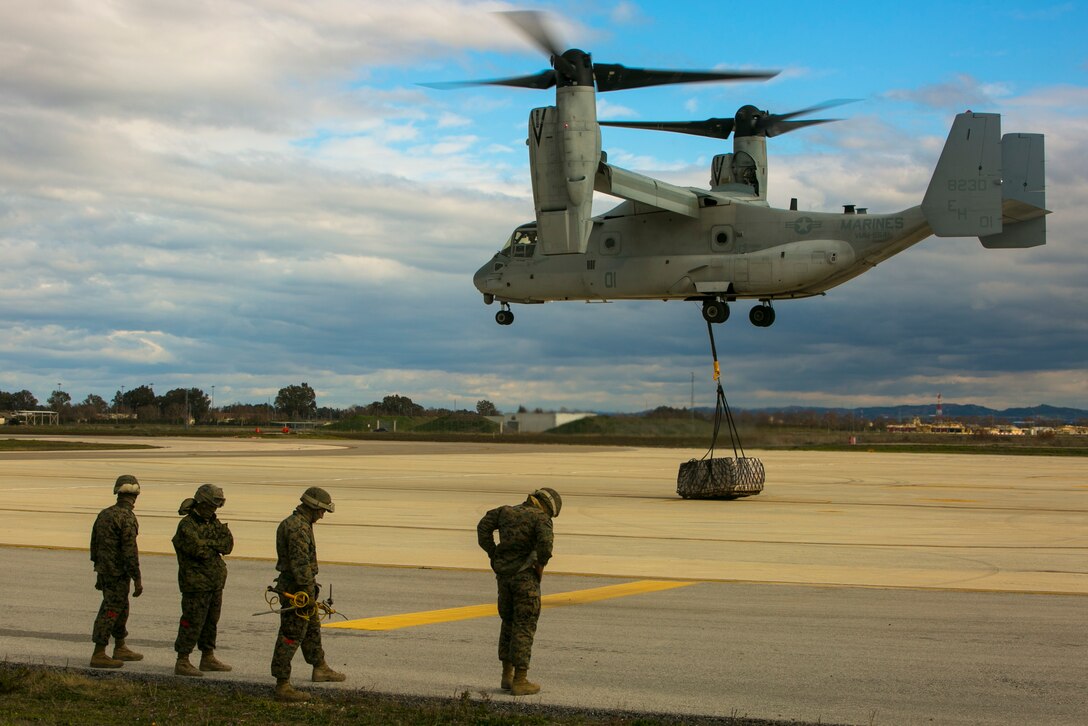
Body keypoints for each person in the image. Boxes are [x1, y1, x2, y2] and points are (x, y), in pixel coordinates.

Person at [477, 487, 562, 695]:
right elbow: (546, 546)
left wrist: (494, 553)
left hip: (504, 579)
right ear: (547, 507)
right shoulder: (541, 518)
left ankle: (506, 675)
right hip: (525, 578)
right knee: (524, 626)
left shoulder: (505, 511)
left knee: (508, 622)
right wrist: (540, 566)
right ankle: (520, 679)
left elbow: (483, 527)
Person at [270, 486, 346, 702]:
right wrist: (306, 591)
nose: (322, 515)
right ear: (313, 507)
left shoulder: (301, 523)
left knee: (312, 628)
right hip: (297, 590)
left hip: (304, 588)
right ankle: (282, 683)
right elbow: (300, 563)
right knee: (291, 635)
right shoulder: (297, 528)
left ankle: (320, 667)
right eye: (321, 511)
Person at [172, 483, 234, 677]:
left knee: (210, 622)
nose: (212, 510)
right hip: (195, 584)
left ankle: (207, 656)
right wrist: (214, 545)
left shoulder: (213, 523)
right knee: (192, 621)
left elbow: (228, 544)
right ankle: (182, 659)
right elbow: (199, 550)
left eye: (215, 507)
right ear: (200, 503)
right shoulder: (187, 525)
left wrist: (210, 544)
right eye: (209, 506)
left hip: (214, 583)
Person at [89, 474, 144, 668]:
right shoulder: (127, 517)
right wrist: (137, 579)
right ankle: (99, 652)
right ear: (136, 496)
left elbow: (94, 545)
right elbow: (130, 551)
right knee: (111, 610)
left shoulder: (104, 514)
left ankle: (120, 646)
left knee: (121, 608)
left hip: (105, 571)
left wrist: (99, 571)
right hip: (117, 573)